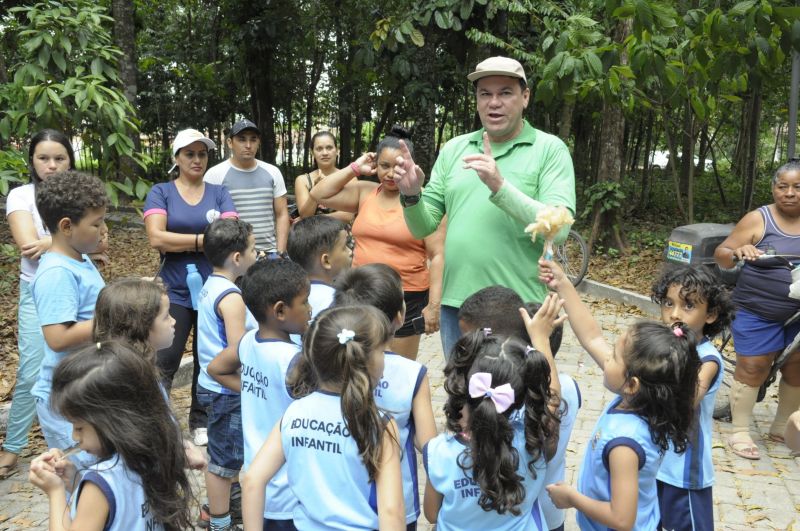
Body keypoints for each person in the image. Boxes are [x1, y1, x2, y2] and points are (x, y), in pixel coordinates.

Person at [392, 56, 576, 358]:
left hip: (521, 306)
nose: (494, 102)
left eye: (505, 92)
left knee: (517, 399)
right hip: (458, 306)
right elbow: (423, 226)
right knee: (462, 398)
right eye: (485, 94)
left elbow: (561, 230)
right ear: (476, 100)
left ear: (525, 97)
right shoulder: (455, 149)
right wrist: (411, 195)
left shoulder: (549, 149)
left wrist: (500, 187)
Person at [540, 259, 700, 530]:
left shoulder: (625, 443)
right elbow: (592, 336)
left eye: (613, 356)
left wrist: (572, 498)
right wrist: (563, 284)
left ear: (633, 384)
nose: (606, 359)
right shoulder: (638, 401)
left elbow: (622, 519)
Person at [241, 305, 406, 530]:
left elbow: (252, 480)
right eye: (382, 351)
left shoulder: (294, 412)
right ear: (365, 360)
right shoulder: (379, 424)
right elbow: (391, 512)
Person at [309, 126, 445, 360]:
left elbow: (439, 255)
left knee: (398, 367)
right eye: (385, 166)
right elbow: (318, 194)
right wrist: (354, 168)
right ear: (375, 165)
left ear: (411, 165)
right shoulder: (366, 192)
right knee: (358, 361)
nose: (391, 174)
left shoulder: (426, 200)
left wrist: (434, 306)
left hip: (406, 296)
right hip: (361, 291)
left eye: (399, 166)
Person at [28, 341, 193, 530]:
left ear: (113, 420)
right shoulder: (152, 455)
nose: (74, 437)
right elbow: (117, 511)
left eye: (79, 427)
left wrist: (56, 492)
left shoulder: (99, 484)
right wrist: (75, 481)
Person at [144, 128, 238, 446]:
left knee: (206, 357)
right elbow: (156, 237)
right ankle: (157, 423)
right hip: (176, 288)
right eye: (189, 154)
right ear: (177, 158)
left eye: (202, 154)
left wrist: (182, 242)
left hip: (215, 288)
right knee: (166, 358)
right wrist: (203, 240)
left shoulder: (219, 191)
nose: (197, 160)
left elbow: (230, 235)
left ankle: (201, 420)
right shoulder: (161, 192)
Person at [332, 263, 438, 529]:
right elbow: (429, 446)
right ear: (400, 316)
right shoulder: (412, 373)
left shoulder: (327, 367)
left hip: (338, 503)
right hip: (398, 505)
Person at [209, 258, 311, 530]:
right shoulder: (294, 361)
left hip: (259, 488)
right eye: (305, 302)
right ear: (280, 311)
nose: (310, 309)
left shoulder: (248, 341)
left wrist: (254, 390)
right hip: (292, 493)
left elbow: (216, 368)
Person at [424, 326, 559, 530]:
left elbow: (432, 513)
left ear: (464, 388)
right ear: (520, 394)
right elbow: (552, 399)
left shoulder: (438, 451)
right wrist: (540, 337)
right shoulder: (538, 441)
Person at [714, 160, 800, 460]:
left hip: (797, 315)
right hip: (755, 308)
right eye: (783, 186)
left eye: (798, 187)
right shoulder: (757, 219)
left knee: (796, 367)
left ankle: (780, 427)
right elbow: (721, 254)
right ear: (774, 188)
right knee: (753, 366)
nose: (790, 193)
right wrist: (738, 251)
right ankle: (739, 431)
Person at [2, 130, 75, 479]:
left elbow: (98, 239)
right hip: (36, 291)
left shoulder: (77, 195)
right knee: (32, 370)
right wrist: (71, 240)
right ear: (31, 161)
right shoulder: (21, 196)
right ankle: (12, 448)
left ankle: (82, 440)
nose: (51, 165)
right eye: (43, 158)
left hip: (78, 288)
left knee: (83, 363)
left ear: (70, 161)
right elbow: (28, 246)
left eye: (59, 158)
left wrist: (62, 241)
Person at [91, 278, 207, 471]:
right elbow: (142, 442)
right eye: (166, 316)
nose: (174, 321)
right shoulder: (129, 384)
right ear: (140, 325)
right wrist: (179, 455)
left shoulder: (142, 371)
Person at [30, 171, 108, 458]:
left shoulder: (80, 259)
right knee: (76, 477)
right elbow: (58, 337)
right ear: (66, 226)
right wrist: (117, 316)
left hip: (84, 387)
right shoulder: (57, 272)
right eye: (96, 223)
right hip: (64, 398)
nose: (102, 230)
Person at [650, 266, 733, 531]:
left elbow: (687, 401)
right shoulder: (660, 348)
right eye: (668, 303)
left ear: (710, 314)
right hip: (652, 463)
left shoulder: (707, 358)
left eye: (688, 306)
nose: (674, 314)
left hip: (683, 473)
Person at [196, 218, 258, 531]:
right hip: (226, 389)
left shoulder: (211, 284)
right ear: (237, 258)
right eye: (253, 249)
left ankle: (221, 509)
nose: (256, 254)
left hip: (213, 385)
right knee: (223, 461)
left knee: (226, 454)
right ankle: (219, 520)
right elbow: (238, 351)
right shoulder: (232, 297)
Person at [204, 119, 290, 253]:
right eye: (242, 139)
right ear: (230, 143)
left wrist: (280, 252)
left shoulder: (273, 172)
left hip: (269, 252)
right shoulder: (215, 174)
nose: (248, 145)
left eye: (253, 139)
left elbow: (282, 214)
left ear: (259, 142)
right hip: (232, 256)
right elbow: (209, 217)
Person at [286, 215, 353, 323]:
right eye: (344, 247)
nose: (350, 252)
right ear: (326, 261)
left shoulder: (289, 296)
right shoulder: (338, 302)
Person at [292, 131, 354, 224]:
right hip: (312, 236)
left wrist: (315, 218)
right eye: (319, 149)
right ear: (312, 152)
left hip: (342, 236)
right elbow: (305, 215)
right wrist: (316, 190)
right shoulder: (303, 180)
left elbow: (348, 216)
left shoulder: (350, 178)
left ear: (337, 150)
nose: (325, 153)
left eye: (329, 148)